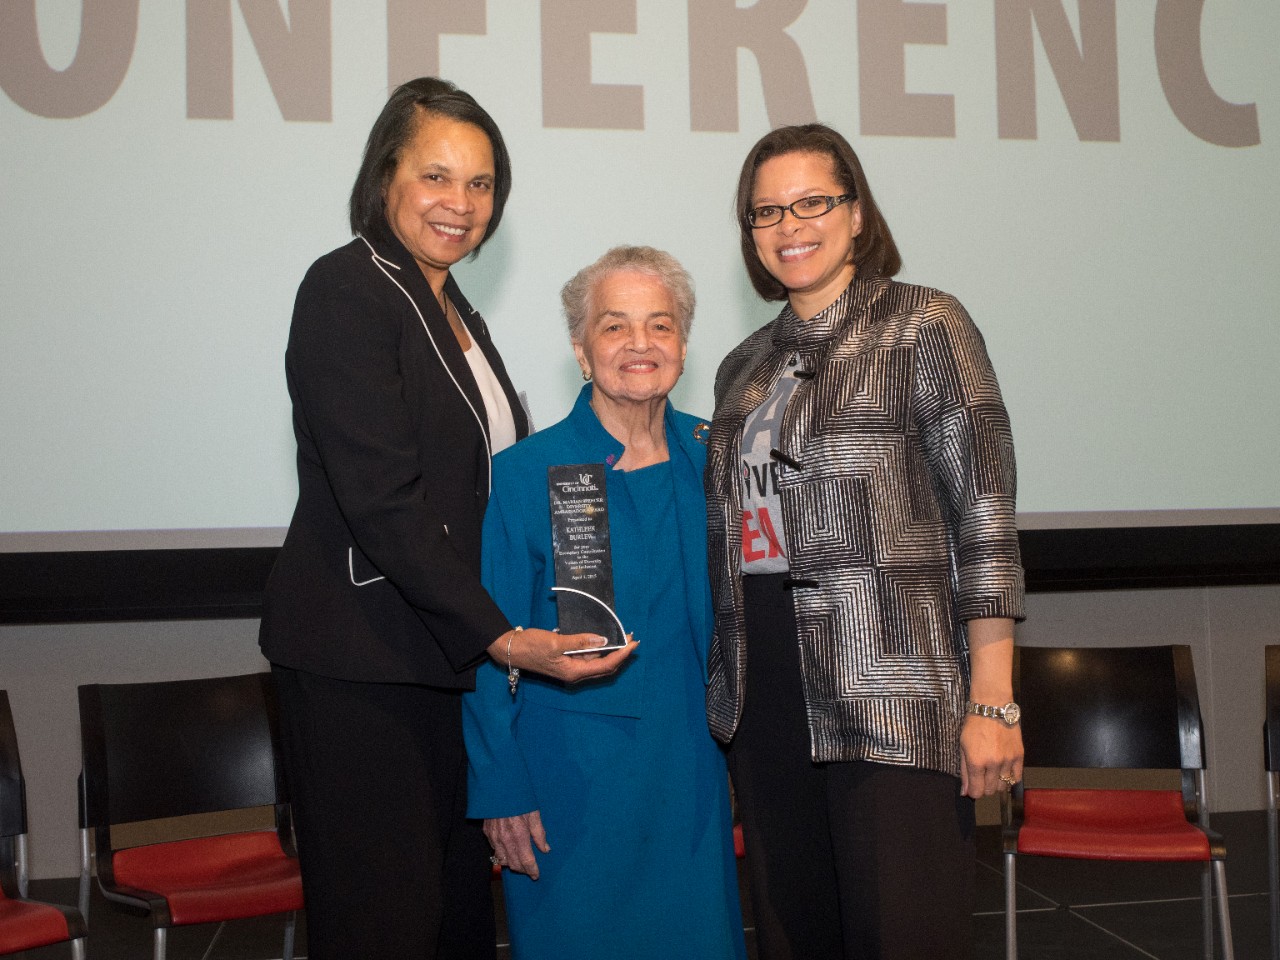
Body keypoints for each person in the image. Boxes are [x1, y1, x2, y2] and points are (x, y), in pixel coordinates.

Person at [258, 77, 633, 960]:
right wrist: (504, 639)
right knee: (385, 923)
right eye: (437, 176)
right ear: (385, 174)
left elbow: (493, 490)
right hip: (364, 666)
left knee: (455, 919)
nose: (460, 205)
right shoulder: (347, 289)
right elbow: (383, 504)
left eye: (481, 184)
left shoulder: (451, 306)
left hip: (438, 662)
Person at [704, 123, 1026, 960]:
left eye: (813, 202)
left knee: (902, 938)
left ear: (855, 213)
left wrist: (992, 702)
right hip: (766, 695)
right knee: (791, 936)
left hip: (889, 688)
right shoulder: (741, 365)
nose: (790, 225)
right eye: (766, 211)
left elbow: (984, 517)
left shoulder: (925, 325)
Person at [461, 246, 747, 960]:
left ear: (683, 343)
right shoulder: (525, 475)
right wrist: (500, 787)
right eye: (615, 326)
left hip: (694, 776)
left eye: (661, 324)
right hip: (570, 784)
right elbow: (485, 644)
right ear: (581, 348)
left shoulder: (721, 458)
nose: (640, 344)